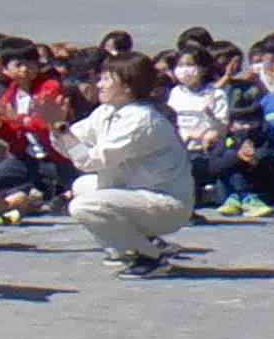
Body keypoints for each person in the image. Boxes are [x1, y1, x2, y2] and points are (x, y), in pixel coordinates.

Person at [62, 58, 197, 274]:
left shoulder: (141, 120)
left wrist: (60, 130)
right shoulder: (106, 111)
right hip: (137, 193)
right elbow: (71, 144)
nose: (99, 84)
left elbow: (87, 161)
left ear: (126, 86)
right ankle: (143, 241)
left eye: (106, 79)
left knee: (84, 206)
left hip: (167, 204)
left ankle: (151, 257)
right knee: (82, 186)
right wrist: (52, 125)